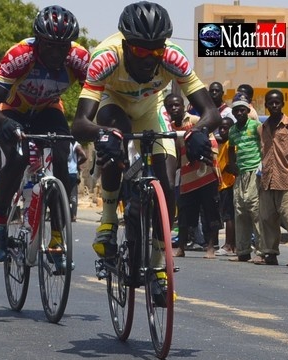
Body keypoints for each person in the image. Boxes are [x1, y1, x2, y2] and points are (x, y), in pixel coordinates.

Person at [71, 1, 221, 303]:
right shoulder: (105, 58)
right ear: (126, 45)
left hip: (151, 109)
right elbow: (80, 122)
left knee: (166, 184)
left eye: (156, 50)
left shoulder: (172, 58)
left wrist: (197, 132)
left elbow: (210, 111)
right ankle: (109, 221)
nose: (149, 58)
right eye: (140, 51)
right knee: (115, 135)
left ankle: (157, 264)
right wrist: (102, 134)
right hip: (113, 105)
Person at [0, 6, 90, 262]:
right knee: (16, 160)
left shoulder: (79, 58)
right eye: (50, 46)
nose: (57, 53)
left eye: (63, 47)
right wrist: (3, 124)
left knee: (62, 158)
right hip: (13, 110)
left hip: (48, 109)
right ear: (38, 41)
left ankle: (57, 235)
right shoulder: (20, 55)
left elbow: (98, 95)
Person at [163, 93, 221, 258]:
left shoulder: (196, 121)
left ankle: (211, 247)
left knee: (210, 211)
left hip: (205, 173)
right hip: (186, 177)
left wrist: (209, 160)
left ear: (183, 106)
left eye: (177, 105)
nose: (174, 109)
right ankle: (180, 247)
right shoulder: (169, 128)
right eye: (170, 106)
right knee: (184, 214)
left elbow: (211, 141)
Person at [253, 89, 288, 266]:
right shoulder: (262, 127)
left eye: (277, 102)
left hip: (286, 177)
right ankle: (271, 253)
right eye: (270, 102)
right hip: (267, 178)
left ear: (282, 104)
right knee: (267, 218)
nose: (274, 105)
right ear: (266, 105)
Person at [227, 92, 262, 263]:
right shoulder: (232, 130)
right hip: (240, 173)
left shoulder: (255, 126)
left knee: (255, 209)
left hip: (255, 171)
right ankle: (243, 250)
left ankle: (262, 251)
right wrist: (232, 163)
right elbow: (230, 149)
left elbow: (264, 143)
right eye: (236, 111)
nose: (239, 113)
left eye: (242, 110)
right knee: (240, 210)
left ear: (247, 110)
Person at [215, 117, 236, 256]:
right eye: (221, 128)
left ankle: (229, 244)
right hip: (222, 184)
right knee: (226, 215)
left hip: (229, 183)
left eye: (226, 128)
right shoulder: (221, 144)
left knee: (229, 216)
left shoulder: (230, 144)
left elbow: (229, 164)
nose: (222, 130)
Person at [68, 140, 87, 222]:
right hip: (73, 172)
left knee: (66, 194)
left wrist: (77, 163)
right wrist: (77, 164)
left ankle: (69, 214)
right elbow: (84, 156)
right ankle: (73, 215)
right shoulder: (74, 143)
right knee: (73, 195)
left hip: (67, 171)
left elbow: (84, 156)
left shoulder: (73, 144)